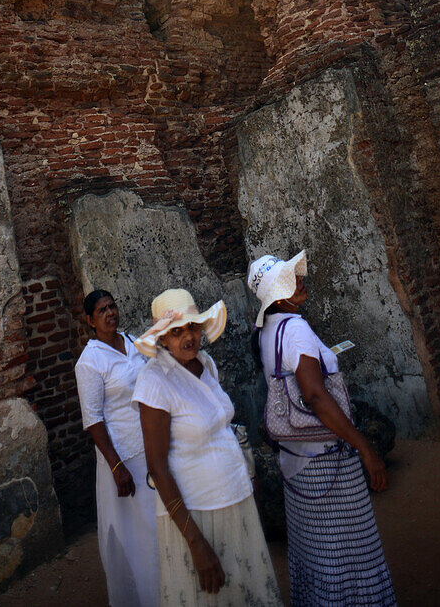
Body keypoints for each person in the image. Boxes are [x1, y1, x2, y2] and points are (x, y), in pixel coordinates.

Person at [248, 251, 397, 607]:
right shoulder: (295, 328)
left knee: (317, 551)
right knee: (349, 550)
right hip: (326, 459)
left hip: (296, 461)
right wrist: (365, 448)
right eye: (289, 279)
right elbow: (315, 395)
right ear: (276, 296)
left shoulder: (267, 331)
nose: (299, 280)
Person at [132, 288, 283, 606]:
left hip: (234, 499)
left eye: (193, 327)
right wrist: (195, 542)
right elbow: (157, 469)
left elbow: (223, 431)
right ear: (162, 339)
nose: (188, 336)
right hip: (197, 515)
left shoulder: (206, 364)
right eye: (177, 331)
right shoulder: (154, 382)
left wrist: (248, 481)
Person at [75, 289, 158, 607]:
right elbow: (93, 420)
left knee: (157, 524)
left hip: (149, 445)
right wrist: (115, 466)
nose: (110, 312)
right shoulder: (90, 361)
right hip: (122, 456)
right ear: (90, 321)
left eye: (113, 305)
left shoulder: (133, 342)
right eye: (101, 310)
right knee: (135, 533)